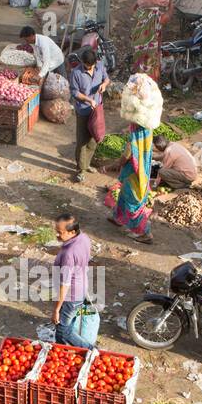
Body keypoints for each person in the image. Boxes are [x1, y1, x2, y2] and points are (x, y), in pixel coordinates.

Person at [103, 121, 155, 244]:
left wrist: (110, 167)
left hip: (134, 177)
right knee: (122, 197)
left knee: (133, 204)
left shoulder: (134, 140)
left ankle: (145, 233)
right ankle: (118, 218)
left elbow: (124, 158)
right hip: (140, 174)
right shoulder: (147, 133)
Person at [52, 213, 93, 349]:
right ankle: (60, 350)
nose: (57, 235)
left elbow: (65, 285)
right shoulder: (84, 238)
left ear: (72, 232)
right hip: (81, 286)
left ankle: (91, 350)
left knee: (63, 330)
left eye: (60, 233)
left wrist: (57, 309)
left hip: (71, 295)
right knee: (69, 321)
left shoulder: (69, 254)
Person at [69, 48, 109, 183]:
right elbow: (74, 92)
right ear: (82, 63)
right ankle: (81, 170)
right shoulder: (76, 73)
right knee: (82, 140)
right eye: (87, 66)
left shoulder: (100, 66)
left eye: (92, 66)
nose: (90, 68)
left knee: (93, 139)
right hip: (83, 110)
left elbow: (107, 79)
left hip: (97, 108)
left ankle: (87, 164)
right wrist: (88, 99)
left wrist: (104, 85)